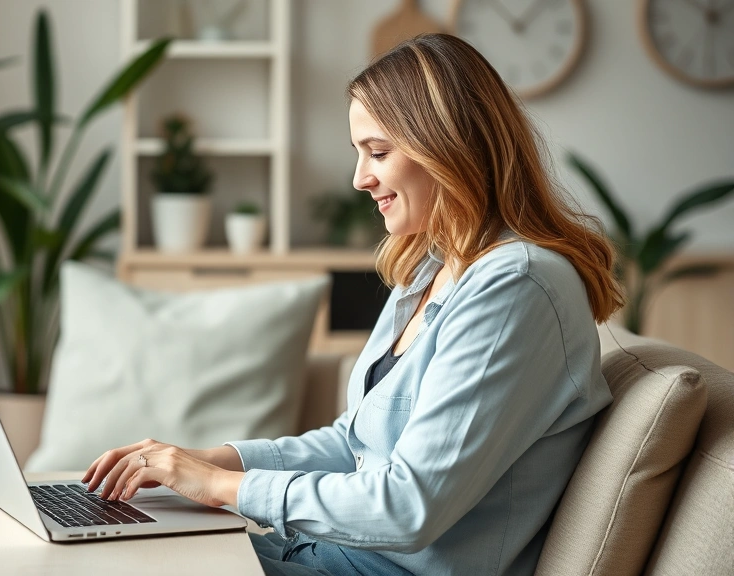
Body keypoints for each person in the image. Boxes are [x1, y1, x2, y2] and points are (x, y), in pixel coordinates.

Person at [82, 33, 624, 576]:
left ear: (448, 146)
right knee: (105, 547)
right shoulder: (432, 270)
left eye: (379, 152)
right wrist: (205, 460)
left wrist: (222, 487)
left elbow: (409, 508)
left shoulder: (515, 287)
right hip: (329, 555)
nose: (361, 179)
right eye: (359, 153)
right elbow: (355, 443)